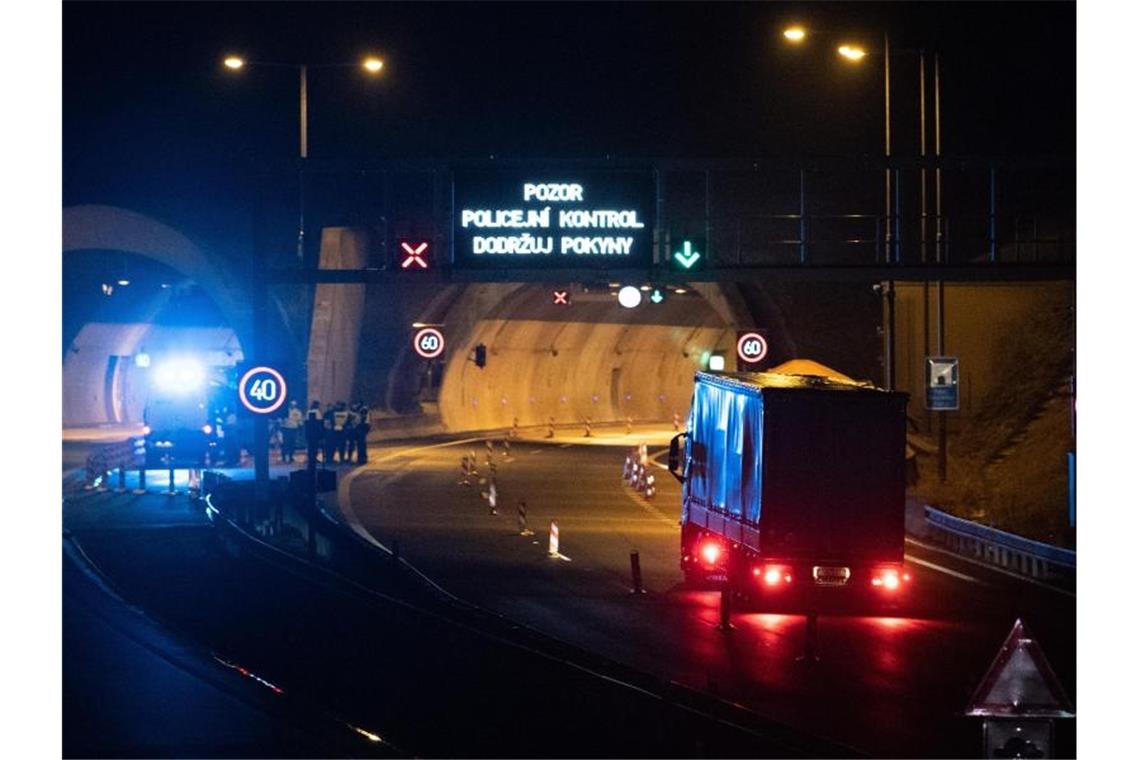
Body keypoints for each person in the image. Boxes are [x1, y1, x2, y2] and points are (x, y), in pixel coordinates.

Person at [304, 400, 323, 467]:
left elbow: (306, 423)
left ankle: (311, 458)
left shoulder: (308, 412)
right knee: (315, 447)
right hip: (315, 433)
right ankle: (313, 458)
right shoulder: (317, 412)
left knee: (310, 447)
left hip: (309, 433)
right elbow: (319, 423)